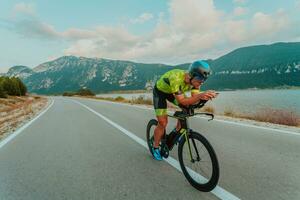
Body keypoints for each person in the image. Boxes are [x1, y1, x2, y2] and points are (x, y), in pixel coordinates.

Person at [152, 60, 218, 160]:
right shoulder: (176, 78)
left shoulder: (196, 82)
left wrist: (203, 98)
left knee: (187, 108)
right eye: (200, 78)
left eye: (204, 79)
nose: (202, 82)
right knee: (163, 123)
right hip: (160, 92)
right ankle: (155, 147)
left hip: (172, 93)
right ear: (192, 75)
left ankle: (176, 130)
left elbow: (193, 100)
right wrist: (200, 95)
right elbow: (182, 101)